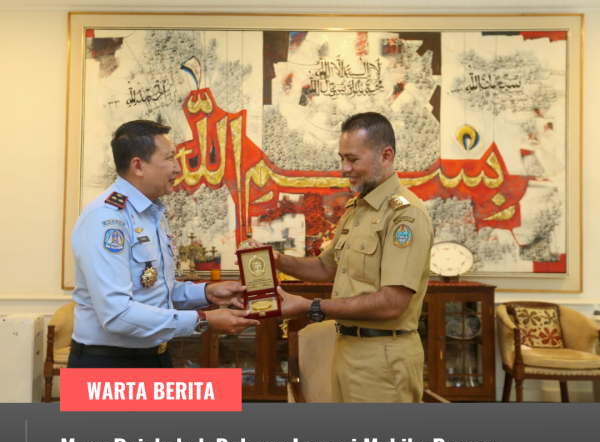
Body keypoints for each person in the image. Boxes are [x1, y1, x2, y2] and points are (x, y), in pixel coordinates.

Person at [68, 120, 259, 368]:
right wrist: (204, 320)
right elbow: (117, 315)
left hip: (155, 356)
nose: (178, 168)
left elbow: (155, 291)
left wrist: (207, 292)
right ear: (138, 166)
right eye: (170, 158)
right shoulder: (107, 219)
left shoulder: (151, 213)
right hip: (108, 363)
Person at [274, 112, 434, 402]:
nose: (344, 168)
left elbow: (392, 303)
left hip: (383, 358)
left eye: (353, 159)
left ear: (386, 156)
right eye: (342, 158)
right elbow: (326, 267)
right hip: (347, 348)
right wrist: (277, 260)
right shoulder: (358, 209)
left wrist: (311, 306)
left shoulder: (405, 214)